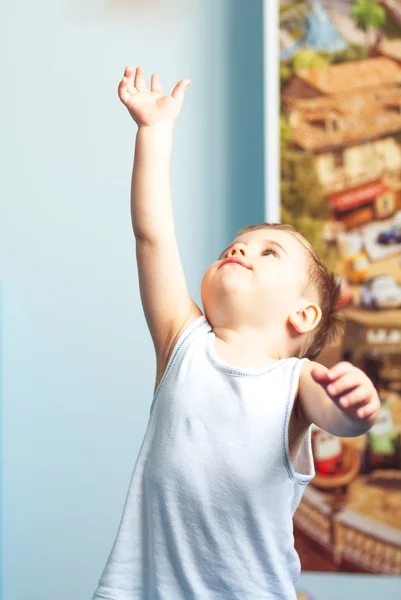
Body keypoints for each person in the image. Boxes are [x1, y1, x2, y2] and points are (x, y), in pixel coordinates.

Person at [91, 66, 380, 600]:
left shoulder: (297, 380)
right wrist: (153, 134)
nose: (240, 249)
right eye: (235, 245)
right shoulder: (183, 342)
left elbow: (335, 415)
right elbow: (152, 238)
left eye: (268, 252)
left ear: (304, 315)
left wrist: (358, 406)